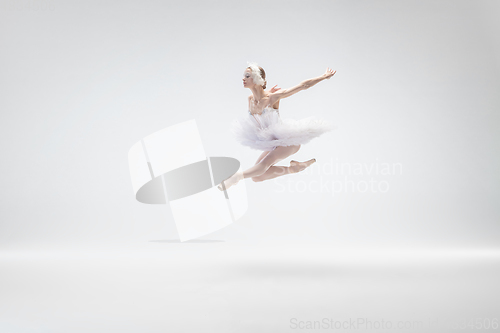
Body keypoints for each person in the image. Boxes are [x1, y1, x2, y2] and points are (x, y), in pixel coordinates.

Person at [218, 61, 336, 191]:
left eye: (247, 76)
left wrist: (324, 76)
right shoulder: (250, 99)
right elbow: (260, 98)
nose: (243, 79)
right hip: (274, 142)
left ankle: (235, 177)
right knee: (257, 177)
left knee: (263, 165)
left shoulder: (273, 98)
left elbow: (303, 85)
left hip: (289, 141)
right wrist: (266, 90)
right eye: (244, 76)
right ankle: (293, 169)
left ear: (257, 79)